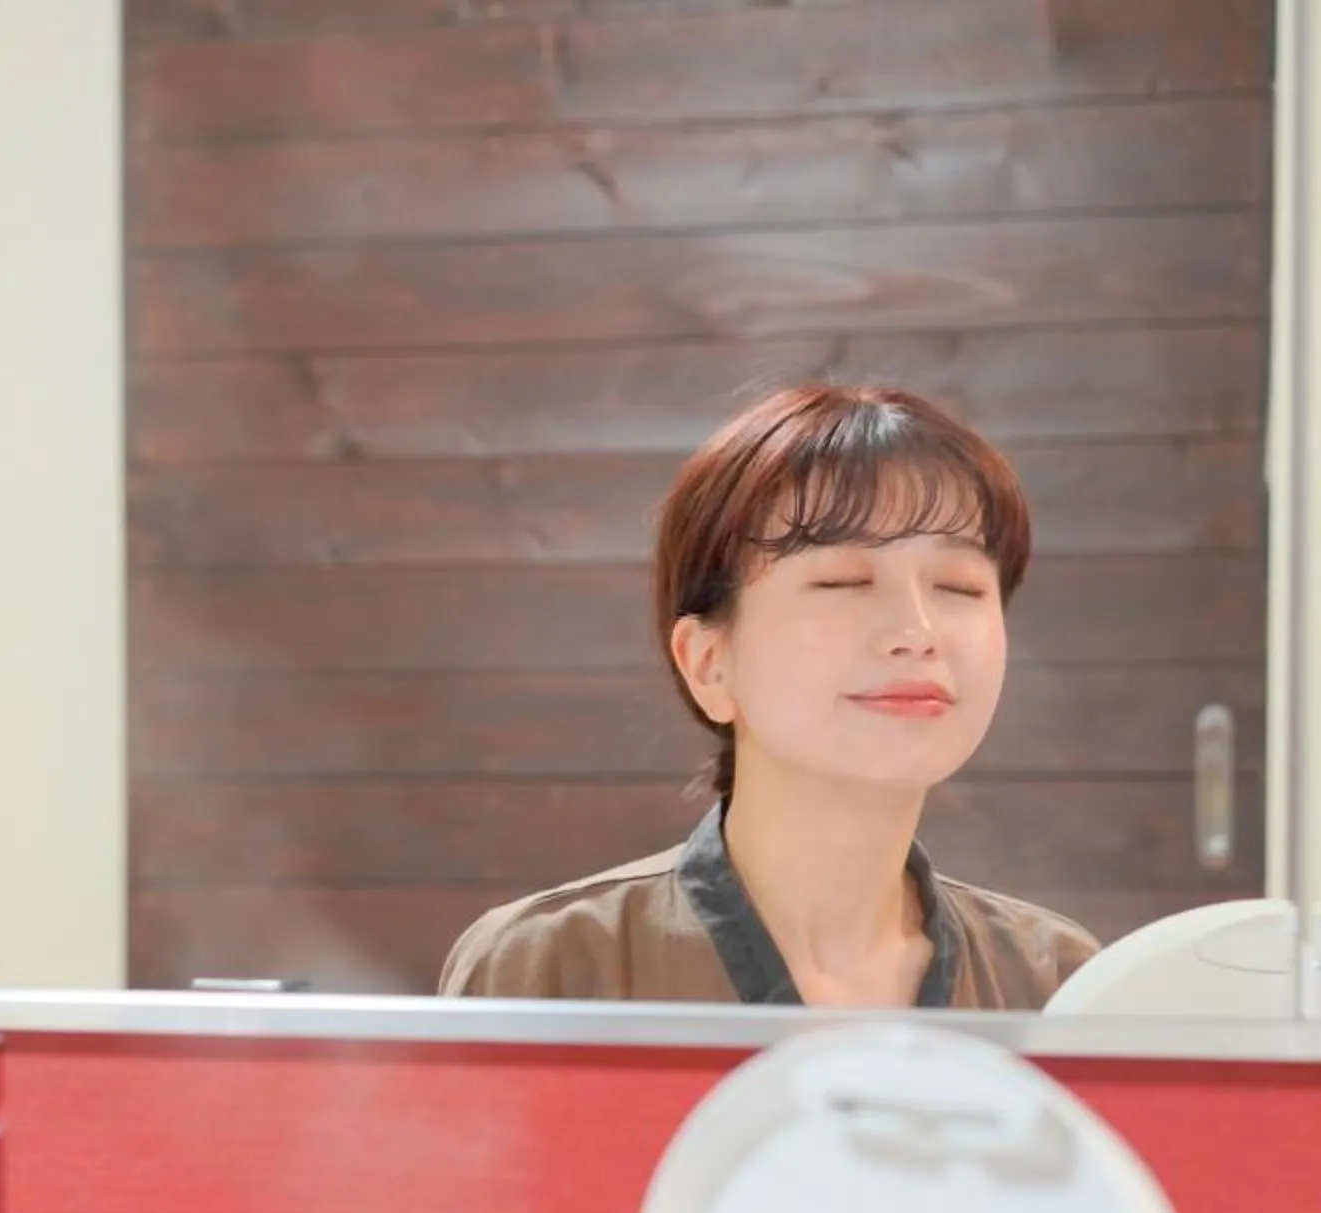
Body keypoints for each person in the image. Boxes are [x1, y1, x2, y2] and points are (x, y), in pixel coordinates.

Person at [441, 384, 1098, 1008]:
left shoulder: (1061, 983)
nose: (916, 633)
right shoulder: (551, 965)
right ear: (708, 663)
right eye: (843, 581)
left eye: (959, 587)